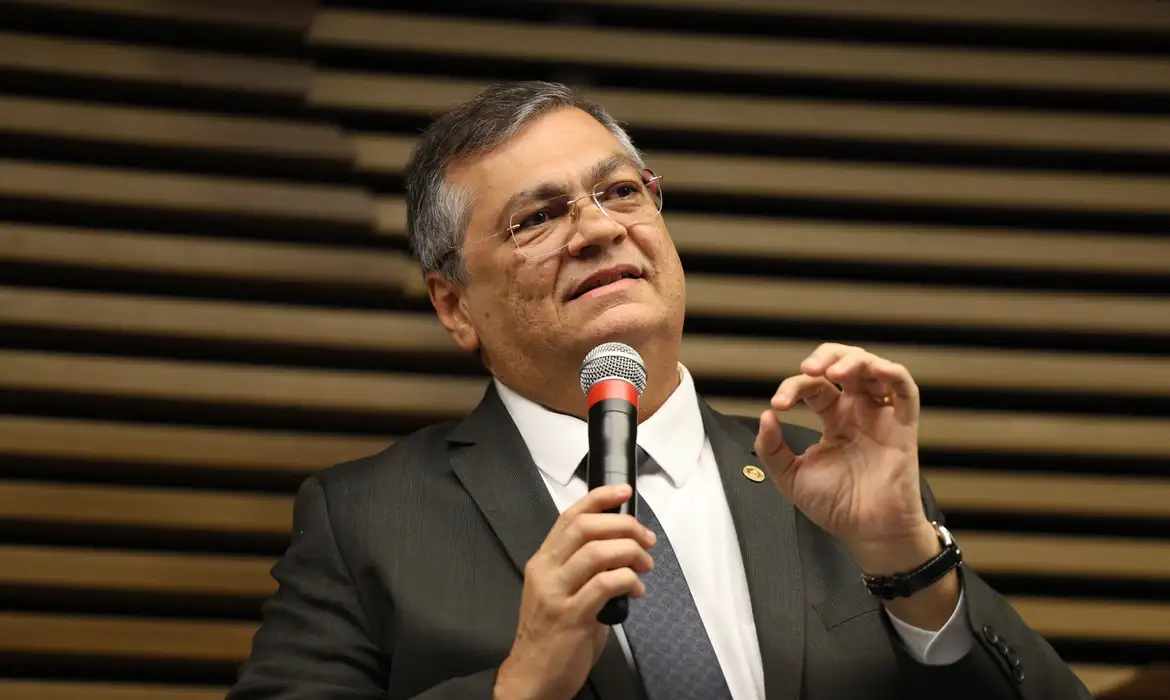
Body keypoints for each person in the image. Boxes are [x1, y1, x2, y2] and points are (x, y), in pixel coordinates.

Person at [228, 81, 1091, 700]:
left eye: (619, 192)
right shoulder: (367, 521)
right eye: (538, 217)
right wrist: (521, 683)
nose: (598, 228)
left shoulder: (834, 485)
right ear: (454, 305)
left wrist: (911, 564)